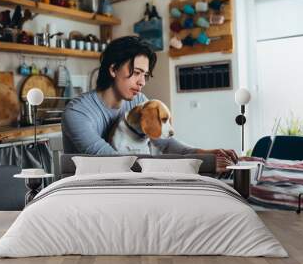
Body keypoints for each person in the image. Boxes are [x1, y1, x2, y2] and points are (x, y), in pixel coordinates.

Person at [62, 36, 237, 175]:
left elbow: (165, 144)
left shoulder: (138, 101)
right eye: (137, 73)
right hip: (86, 193)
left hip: (125, 186)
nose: (142, 82)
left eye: (145, 75)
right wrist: (201, 165)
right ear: (113, 69)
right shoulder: (78, 112)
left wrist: (204, 153)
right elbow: (116, 163)